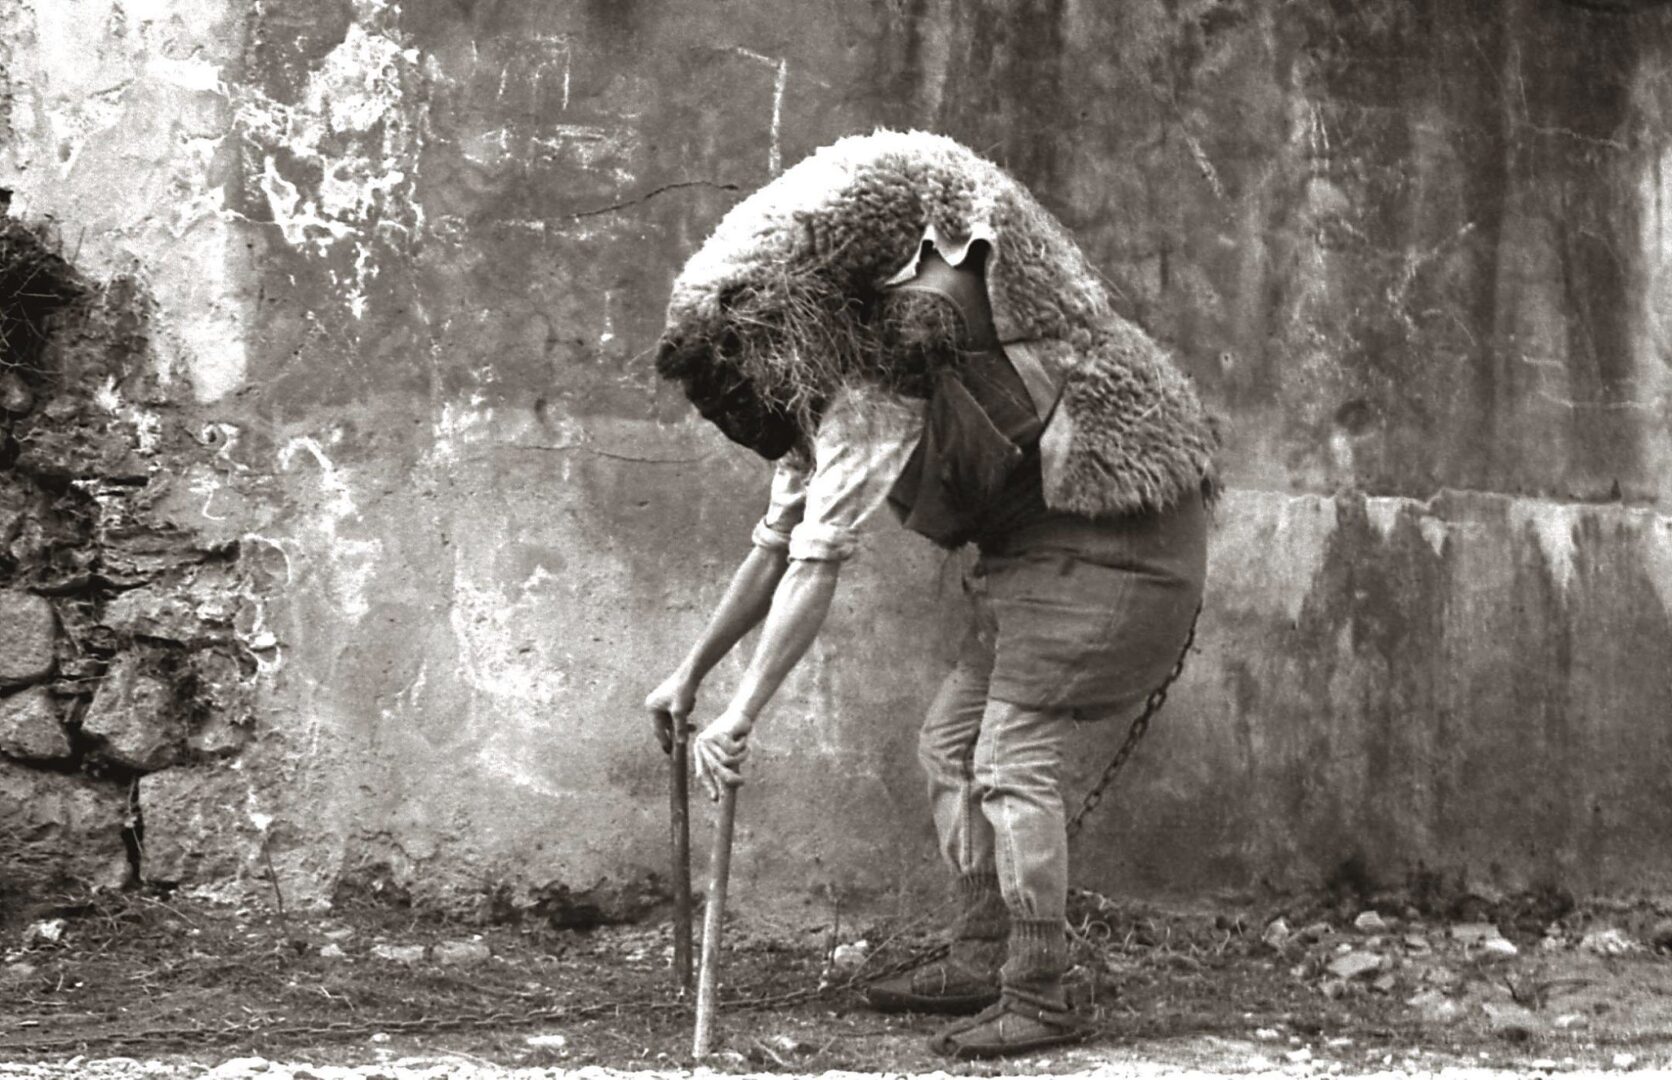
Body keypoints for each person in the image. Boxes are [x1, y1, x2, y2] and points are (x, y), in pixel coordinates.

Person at [646, 131, 1214, 1058]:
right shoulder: (821, 408)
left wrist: (741, 714)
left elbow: (816, 568)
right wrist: (688, 674)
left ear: (783, 353)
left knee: (1009, 760)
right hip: (1033, 560)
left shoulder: (874, 398)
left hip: (1117, 544)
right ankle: (982, 951)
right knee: (949, 745)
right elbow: (775, 547)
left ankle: (1041, 990)